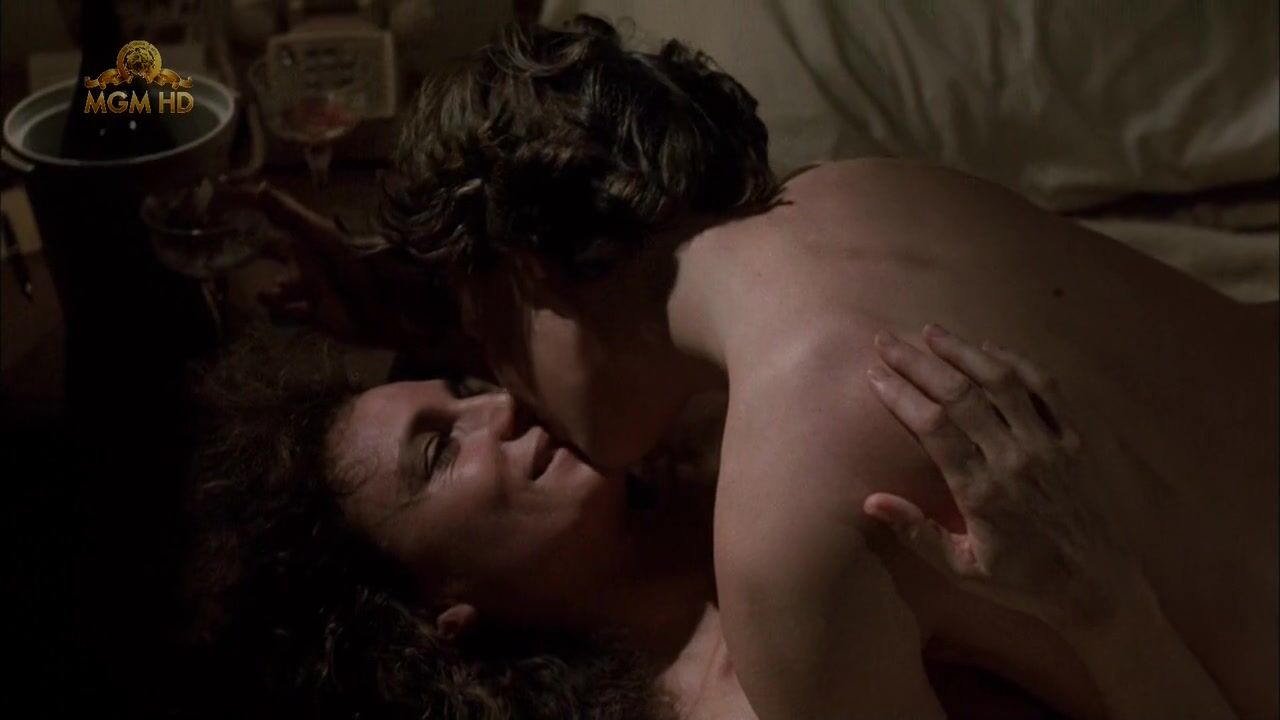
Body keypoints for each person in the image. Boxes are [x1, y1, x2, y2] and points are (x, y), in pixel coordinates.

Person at [255, 15, 1273, 718]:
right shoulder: (861, 191)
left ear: (526, 268)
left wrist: (1107, 617)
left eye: (484, 359)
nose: (512, 403)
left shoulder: (783, 540)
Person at [185, 325, 1233, 719]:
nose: (497, 408)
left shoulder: (724, 454)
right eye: (437, 451)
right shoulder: (721, 704)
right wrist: (1105, 611)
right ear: (431, 615)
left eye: (460, 390)